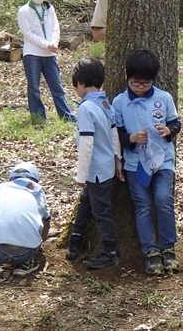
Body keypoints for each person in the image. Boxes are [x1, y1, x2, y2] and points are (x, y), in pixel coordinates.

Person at [112, 50, 182, 276]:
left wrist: (168, 130)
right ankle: (150, 251)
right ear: (126, 76)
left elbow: (176, 124)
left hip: (163, 162)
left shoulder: (164, 98)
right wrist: (132, 139)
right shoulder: (120, 102)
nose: (141, 87)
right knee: (142, 206)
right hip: (136, 164)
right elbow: (118, 134)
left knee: (163, 200)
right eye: (136, 82)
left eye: (146, 83)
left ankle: (168, 248)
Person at [65, 58, 124, 269]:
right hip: (106, 167)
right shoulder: (105, 102)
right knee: (86, 205)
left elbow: (87, 145)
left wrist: (81, 176)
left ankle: (110, 251)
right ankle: (75, 241)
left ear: (80, 82)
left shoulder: (86, 108)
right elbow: (114, 133)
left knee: (100, 211)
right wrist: (117, 160)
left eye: (75, 86)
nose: (76, 90)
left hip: (96, 171)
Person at [0, 162, 51, 277]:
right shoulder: (38, 192)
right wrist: (39, 242)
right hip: (27, 252)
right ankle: (25, 264)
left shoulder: (3, 188)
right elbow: (46, 221)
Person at [17, 0, 76, 125]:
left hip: (50, 54)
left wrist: (54, 43)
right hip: (32, 55)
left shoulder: (49, 8)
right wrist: (46, 45)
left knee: (57, 87)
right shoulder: (24, 11)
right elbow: (28, 34)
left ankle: (67, 116)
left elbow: (55, 27)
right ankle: (38, 118)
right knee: (34, 88)